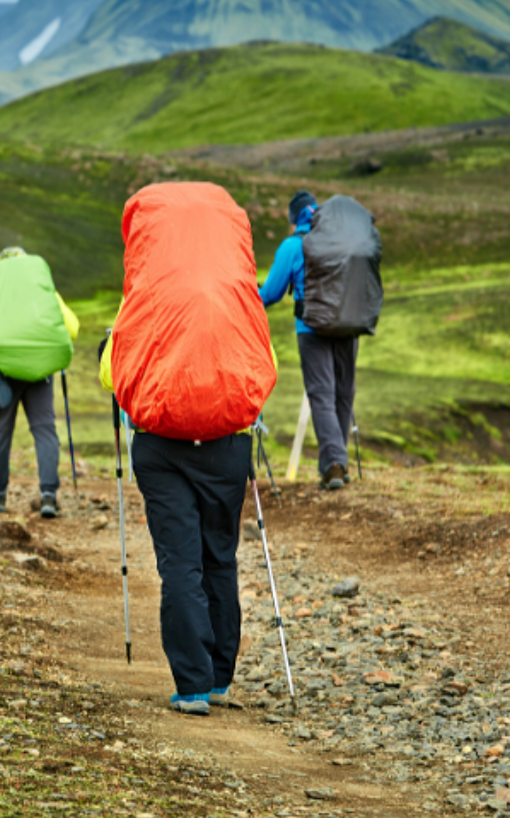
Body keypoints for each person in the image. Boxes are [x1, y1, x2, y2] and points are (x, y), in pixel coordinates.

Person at [103, 181, 277, 716]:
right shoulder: (237, 298)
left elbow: (112, 374)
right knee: (219, 558)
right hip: (227, 445)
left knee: (180, 564)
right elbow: (260, 362)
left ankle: (193, 685)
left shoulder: (145, 300)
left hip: (162, 447)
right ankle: (221, 676)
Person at [0, 246, 79, 516]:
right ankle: (49, 496)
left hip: (3, 369)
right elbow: (72, 327)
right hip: (40, 369)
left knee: (1, 431)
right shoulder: (44, 291)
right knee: (44, 430)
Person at [259, 189, 356, 491]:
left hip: (311, 329)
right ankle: (337, 459)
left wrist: (249, 297)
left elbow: (272, 292)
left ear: (294, 220)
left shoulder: (292, 246)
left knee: (321, 394)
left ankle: (334, 464)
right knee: (342, 393)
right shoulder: (342, 241)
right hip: (348, 324)